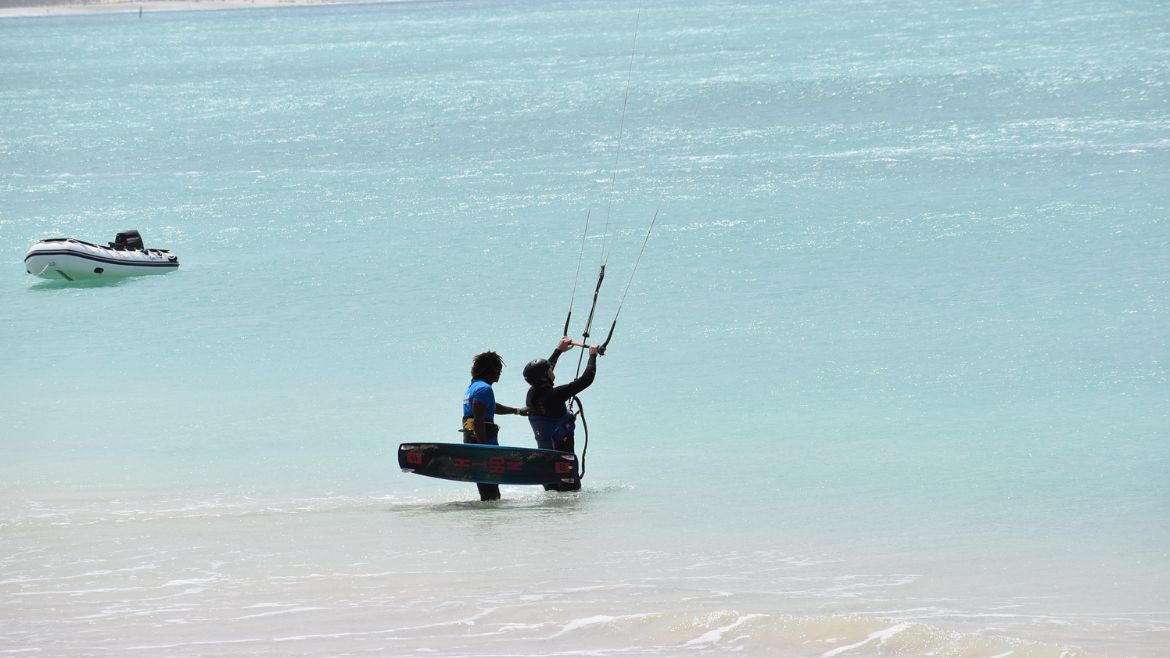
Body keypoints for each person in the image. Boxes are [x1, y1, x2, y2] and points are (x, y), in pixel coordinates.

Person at [522, 336, 600, 492]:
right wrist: (592, 355)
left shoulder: (531, 395)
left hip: (546, 465)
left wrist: (559, 350)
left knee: (554, 504)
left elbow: (543, 370)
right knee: (571, 499)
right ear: (545, 376)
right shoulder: (555, 395)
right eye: (549, 370)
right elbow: (586, 380)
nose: (552, 369)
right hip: (563, 461)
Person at [462, 350, 527, 501]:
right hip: (483, 444)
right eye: (499, 369)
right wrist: (485, 450)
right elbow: (479, 420)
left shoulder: (474, 387)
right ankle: (486, 523)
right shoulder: (485, 389)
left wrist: (516, 411)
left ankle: (488, 521)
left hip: (473, 442)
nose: (500, 373)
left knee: (490, 491)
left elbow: (490, 407)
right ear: (491, 370)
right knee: (490, 494)